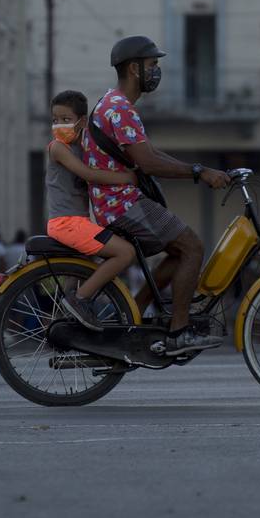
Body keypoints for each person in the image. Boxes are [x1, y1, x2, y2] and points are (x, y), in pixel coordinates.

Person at [81, 35, 231, 355]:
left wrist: (200, 170)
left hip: (117, 204)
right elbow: (148, 163)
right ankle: (179, 332)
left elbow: (149, 153)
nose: (156, 71)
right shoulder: (120, 109)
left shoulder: (112, 103)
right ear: (133, 69)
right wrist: (198, 172)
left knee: (178, 253)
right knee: (192, 247)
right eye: (152, 65)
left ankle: (134, 312)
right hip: (124, 205)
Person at [43, 90, 142, 330]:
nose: (59, 125)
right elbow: (88, 174)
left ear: (82, 122)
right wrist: (127, 178)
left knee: (76, 276)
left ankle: (65, 322)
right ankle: (80, 300)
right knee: (125, 253)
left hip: (78, 223)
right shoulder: (58, 148)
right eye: (55, 119)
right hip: (66, 223)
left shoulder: (83, 147)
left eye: (66, 119)